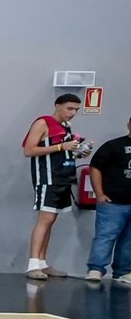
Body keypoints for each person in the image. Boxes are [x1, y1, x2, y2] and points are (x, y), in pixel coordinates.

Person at [21, 93, 90, 279]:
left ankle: (42, 263)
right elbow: (29, 150)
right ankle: (33, 264)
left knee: (51, 220)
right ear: (57, 105)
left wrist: (78, 152)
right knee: (45, 218)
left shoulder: (65, 127)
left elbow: (62, 152)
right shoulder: (43, 123)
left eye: (76, 109)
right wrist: (61, 147)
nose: (73, 113)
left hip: (62, 178)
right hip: (47, 178)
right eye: (69, 108)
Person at [84, 116, 131, 284]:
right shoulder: (113, 146)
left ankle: (123, 272)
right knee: (105, 236)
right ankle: (96, 269)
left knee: (129, 240)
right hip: (112, 203)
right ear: (128, 125)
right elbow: (95, 167)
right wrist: (99, 194)